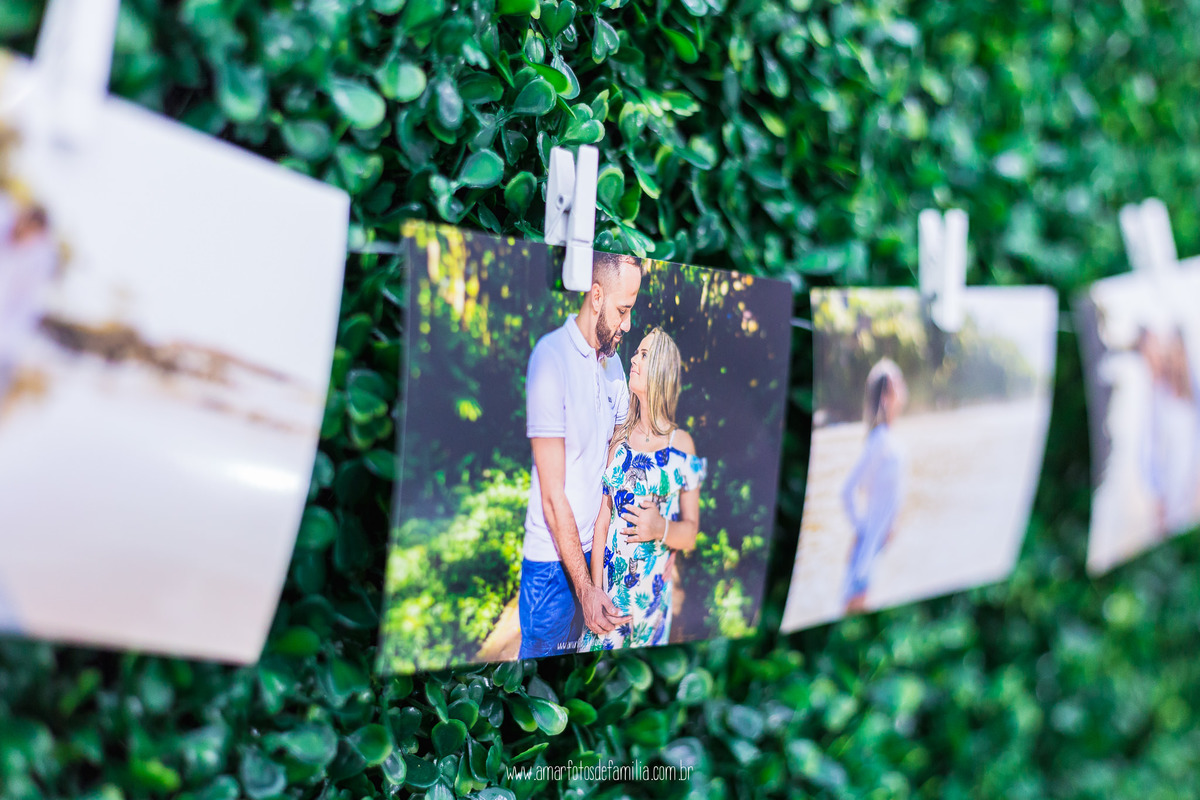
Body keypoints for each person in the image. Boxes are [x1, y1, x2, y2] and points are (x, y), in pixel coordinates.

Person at [518, 251, 651, 658]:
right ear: (596, 297)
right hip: (552, 567)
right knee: (540, 677)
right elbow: (552, 497)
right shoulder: (551, 359)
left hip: (597, 554)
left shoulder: (613, 368)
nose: (628, 324)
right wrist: (585, 588)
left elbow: (618, 452)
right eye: (623, 310)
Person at [578, 327, 706, 651]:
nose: (633, 359)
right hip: (609, 605)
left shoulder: (681, 446)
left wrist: (660, 528)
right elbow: (602, 522)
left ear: (661, 369)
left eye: (644, 355)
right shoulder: (619, 439)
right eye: (636, 352)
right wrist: (596, 592)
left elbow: (690, 533)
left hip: (651, 610)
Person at [841, 358, 907, 614]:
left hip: (876, 553)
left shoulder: (888, 438)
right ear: (885, 397)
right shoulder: (879, 440)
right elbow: (847, 491)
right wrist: (862, 529)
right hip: (866, 560)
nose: (903, 387)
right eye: (897, 383)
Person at [0, 192, 56, 399]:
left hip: (5, 346)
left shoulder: (38, 262)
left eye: (31, 230)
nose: (23, 230)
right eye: (23, 222)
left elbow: (23, 309)